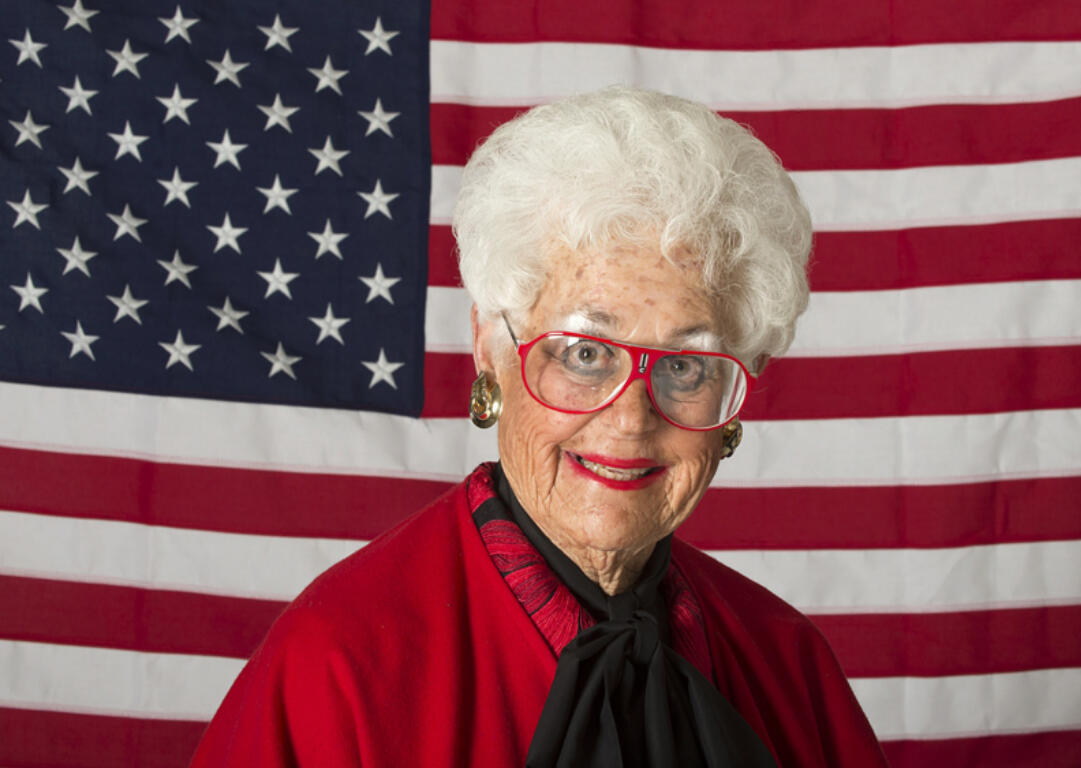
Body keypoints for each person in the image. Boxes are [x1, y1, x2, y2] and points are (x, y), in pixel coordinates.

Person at [190, 86, 887, 767]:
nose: (630, 416)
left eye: (686, 366)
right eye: (585, 353)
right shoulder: (337, 663)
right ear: (491, 349)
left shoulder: (789, 666)